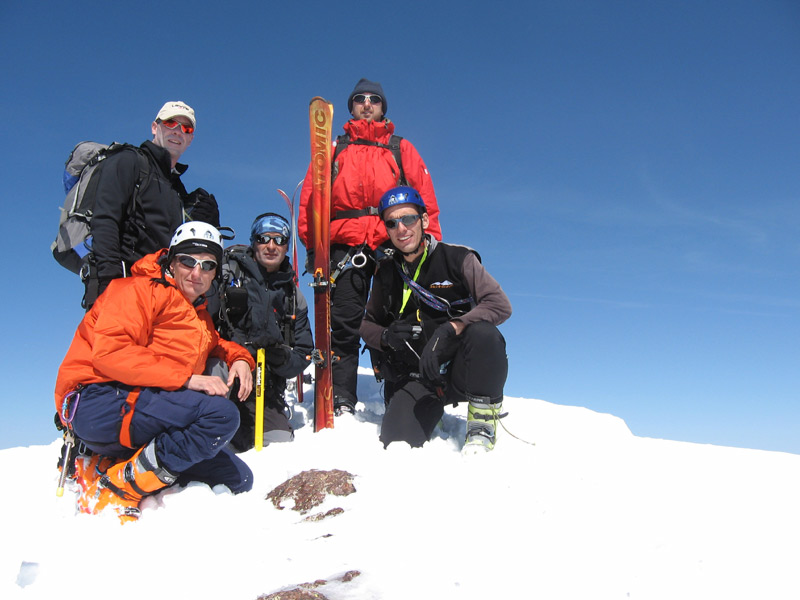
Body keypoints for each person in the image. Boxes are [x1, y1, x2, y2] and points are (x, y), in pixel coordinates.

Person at [54, 222, 255, 523]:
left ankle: (106, 464)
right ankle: (120, 485)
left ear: (215, 274)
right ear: (172, 262)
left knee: (238, 478)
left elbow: (217, 345)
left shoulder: (196, 316)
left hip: (141, 404)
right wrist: (186, 379)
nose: (196, 273)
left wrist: (241, 358)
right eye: (188, 261)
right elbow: (111, 353)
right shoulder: (136, 290)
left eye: (208, 265)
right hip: (97, 400)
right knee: (221, 416)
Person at [298, 78, 442, 416]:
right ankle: (342, 397)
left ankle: (401, 388)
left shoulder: (400, 149)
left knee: (399, 320)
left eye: (374, 99)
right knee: (343, 322)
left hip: (393, 243)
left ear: (382, 107)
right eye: (360, 99)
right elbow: (311, 201)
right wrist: (312, 248)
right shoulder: (333, 148)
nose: (367, 103)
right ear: (351, 107)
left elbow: (426, 200)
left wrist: (430, 244)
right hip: (343, 246)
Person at [360, 187, 512, 451]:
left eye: (408, 219)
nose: (401, 229)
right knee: (397, 442)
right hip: (415, 376)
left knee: (484, 334)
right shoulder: (385, 272)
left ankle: (482, 420)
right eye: (392, 223)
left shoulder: (457, 259)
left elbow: (499, 305)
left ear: (424, 221)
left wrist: (454, 327)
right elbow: (365, 324)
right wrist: (385, 337)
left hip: (459, 370)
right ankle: (430, 412)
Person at [84, 100, 220, 309]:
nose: (177, 131)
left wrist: (205, 225)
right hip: (123, 288)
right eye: (170, 123)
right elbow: (105, 221)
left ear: (190, 138)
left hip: (160, 295)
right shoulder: (128, 162)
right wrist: (110, 285)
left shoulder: (175, 188)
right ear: (155, 127)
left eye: (185, 128)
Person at [208, 212, 313, 451]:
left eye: (279, 240)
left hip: (262, 384)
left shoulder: (293, 297)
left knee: (278, 442)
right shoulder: (228, 275)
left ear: (287, 246)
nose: (271, 246)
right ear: (254, 240)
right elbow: (204, 326)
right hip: (225, 372)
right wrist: (240, 352)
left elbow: (305, 352)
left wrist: (281, 357)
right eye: (264, 238)